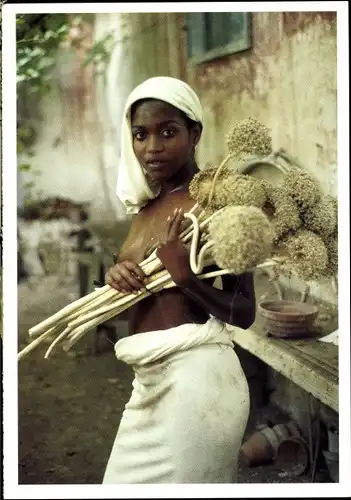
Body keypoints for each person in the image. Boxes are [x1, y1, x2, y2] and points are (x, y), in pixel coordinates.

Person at [103, 76, 256, 484]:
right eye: (141, 134)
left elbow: (244, 313)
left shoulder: (219, 205)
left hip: (199, 385)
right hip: (148, 381)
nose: (152, 148)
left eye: (168, 132)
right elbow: (136, 296)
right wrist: (114, 276)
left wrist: (186, 278)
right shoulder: (148, 208)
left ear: (195, 134)